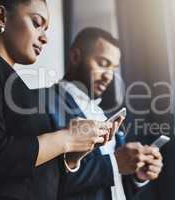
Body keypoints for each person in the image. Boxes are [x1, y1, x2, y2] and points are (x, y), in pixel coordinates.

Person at [0, 1, 109, 200]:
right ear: (2, 16)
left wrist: (72, 156)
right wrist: (67, 138)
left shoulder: (16, 85)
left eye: (46, 29)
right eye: (37, 23)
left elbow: (37, 177)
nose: (45, 38)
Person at [45, 27, 164, 200]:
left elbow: (112, 188)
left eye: (114, 69)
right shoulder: (44, 102)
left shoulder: (102, 113)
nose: (109, 76)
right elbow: (43, 182)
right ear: (75, 57)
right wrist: (114, 164)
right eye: (102, 63)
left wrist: (138, 176)